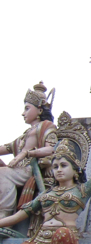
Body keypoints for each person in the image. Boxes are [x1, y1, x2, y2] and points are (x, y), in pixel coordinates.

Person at [0, 82, 57, 222]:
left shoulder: (46, 126)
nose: (23, 113)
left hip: (29, 168)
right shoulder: (25, 134)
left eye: (27, 108)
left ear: (39, 110)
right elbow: (6, 148)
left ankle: (5, 213)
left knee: (2, 173)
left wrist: (28, 153)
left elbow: (51, 149)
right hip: (17, 168)